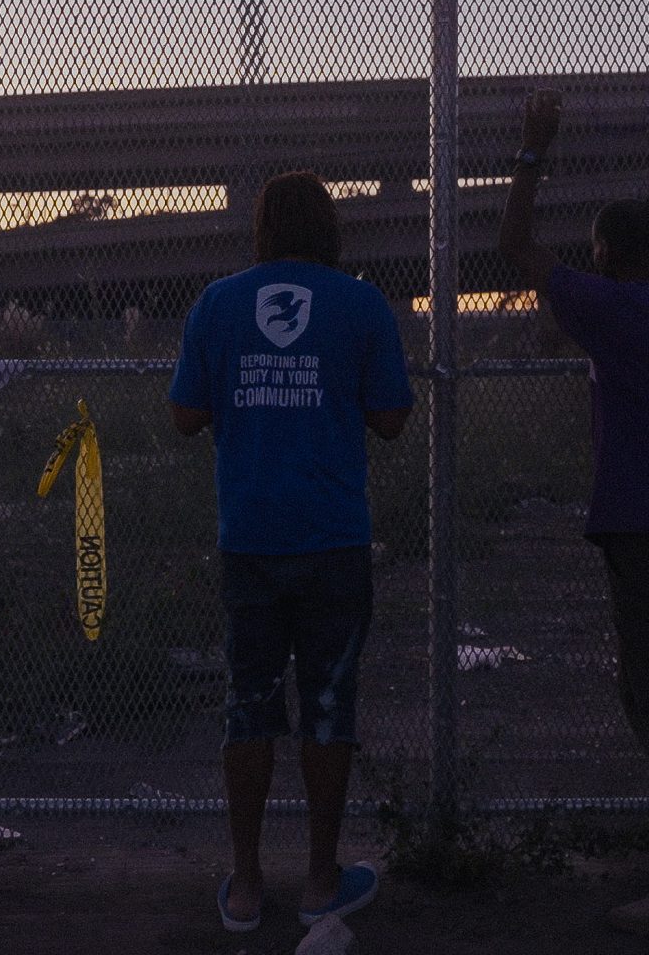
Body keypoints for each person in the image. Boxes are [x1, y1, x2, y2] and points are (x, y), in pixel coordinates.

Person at [498, 89, 649, 935]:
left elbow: (514, 246)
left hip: (644, 524)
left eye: (596, 251)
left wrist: (534, 148)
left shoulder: (612, 308)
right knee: (646, 689)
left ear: (606, 254)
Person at [170, 170, 414, 934]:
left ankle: (246, 887)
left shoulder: (218, 303)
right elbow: (392, 418)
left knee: (248, 704)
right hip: (333, 536)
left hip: (250, 536)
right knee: (329, 706)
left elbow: (185, 414)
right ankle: (318, 879)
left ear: (263, 228)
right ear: (331, 228)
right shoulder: (361, 303)